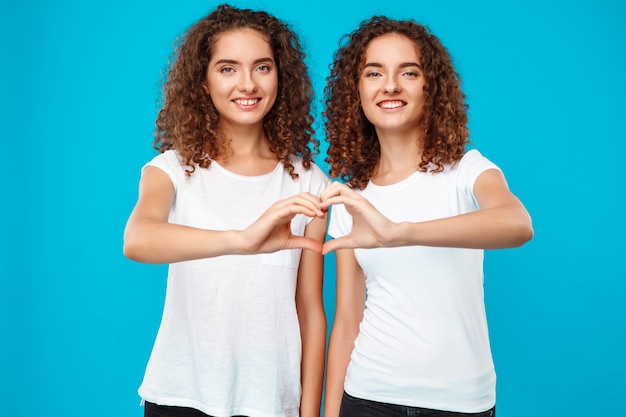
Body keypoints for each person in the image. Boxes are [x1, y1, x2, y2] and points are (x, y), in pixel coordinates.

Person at [319, 16, 534, 417]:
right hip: (367, 396)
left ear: (430, 88)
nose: (390, 85)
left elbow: (517, 224)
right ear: (357, 92)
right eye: (374, 73)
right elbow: (347, 321)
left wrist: (400, 232)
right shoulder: (354, 198)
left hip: (459, 403)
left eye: (409, 72)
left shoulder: (468, 171)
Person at [123, 4, 329, 417]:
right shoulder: (171, 169)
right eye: (228, 68)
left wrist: (310, 411)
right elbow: (138, 240)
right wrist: (241, 240)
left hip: (271, 401)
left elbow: (310, 309)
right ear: (203, 81)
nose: (247, 84)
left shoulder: (308, 181)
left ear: (280, 76)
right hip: (181, 395)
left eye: (262, 67)